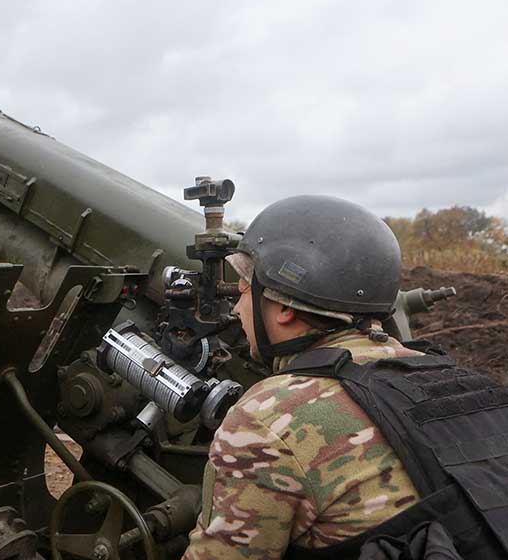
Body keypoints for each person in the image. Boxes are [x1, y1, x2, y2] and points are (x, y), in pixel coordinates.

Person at [184, 195, 507, 560]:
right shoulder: (448, 376)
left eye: (244, 290)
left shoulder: (267, 420)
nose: (239, 307)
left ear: (285, 307)